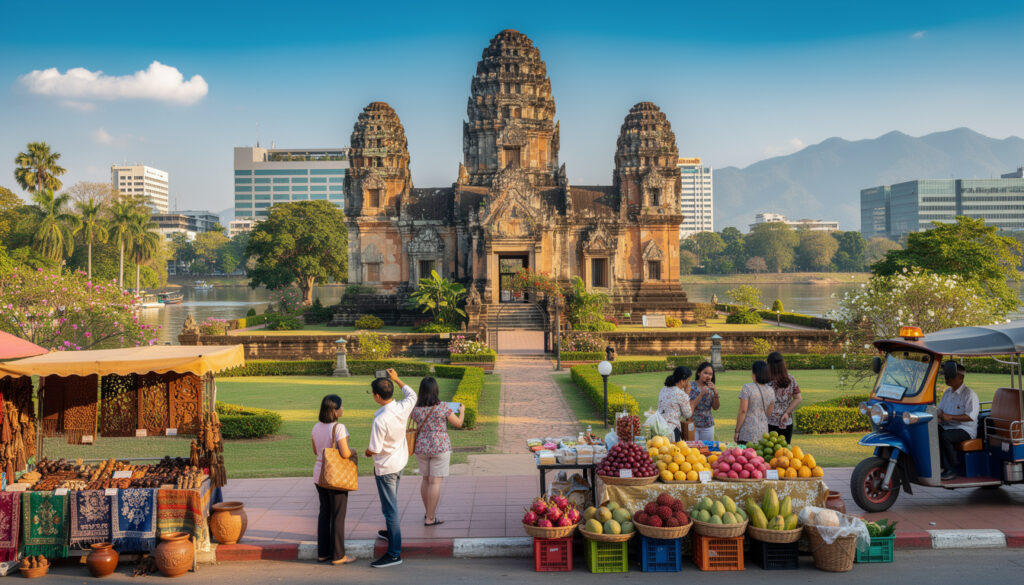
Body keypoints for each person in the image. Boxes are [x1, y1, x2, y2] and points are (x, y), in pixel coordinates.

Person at [365, 368, 417, 568]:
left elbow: (375, 448)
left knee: (390, 510)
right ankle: (391, 533)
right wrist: (398, 379)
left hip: (386, 467)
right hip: (400, 461)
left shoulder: (380, 419)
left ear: (377, 396)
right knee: (391, 505)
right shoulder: (402, 406)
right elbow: (412, 394)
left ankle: (394, 553)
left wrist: (365, 453)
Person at [410, 377, 465, 526]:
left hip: (421, 447)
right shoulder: (443, 408)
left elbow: (413, 421)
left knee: (425, 480)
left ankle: (428, 512)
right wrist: (462, 412)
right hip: (440, 446)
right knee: (435, 482)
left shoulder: (415, 409)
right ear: (436, 390)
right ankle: (430, 517)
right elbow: (458, 424)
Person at [311, 394, 355, 565]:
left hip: (319, 475)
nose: (343, 409)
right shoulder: (339, 428)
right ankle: (338, 555)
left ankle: (323, 553)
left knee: (324, 514)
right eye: (341, 407)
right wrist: (353, 451)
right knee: (338, 515)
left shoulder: (316, 427)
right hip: (336, 476)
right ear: (335, 411)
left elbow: (316, 451)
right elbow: (345, 453)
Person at [937, 361, 979, 480]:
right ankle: (938, 464)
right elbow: (940, 410)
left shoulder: (969, 394)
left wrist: (950, 417)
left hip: (965, 429)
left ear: (960, 377)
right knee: (930, 432)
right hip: (948, 426)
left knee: (945, 437)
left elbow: (971, 416)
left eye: (949, 375)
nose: (946, 378)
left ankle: (952, 468)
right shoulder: (947, 392)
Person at [658, 366, 703, 442]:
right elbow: (687, 414)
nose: (688, 383)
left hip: (659, 426)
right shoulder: (681, 394)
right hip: (672, 430)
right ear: (683, 380)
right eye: (688, 380)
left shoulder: (664, 389)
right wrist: (687, 393)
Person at [735, 361, 775, 444]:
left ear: (754, 373)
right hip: (763, 432)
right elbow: (768, 412)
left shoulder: (747, 388)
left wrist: (737, 430)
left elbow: (743, 411)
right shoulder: (771, 390)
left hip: (747, 431)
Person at [766, 352, 802, 442]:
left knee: (768, 452)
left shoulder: (767, 381)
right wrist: (787, 412)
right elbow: (798, 398)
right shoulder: (790, 379)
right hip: (786, 421)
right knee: (785, 453)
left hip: (768, 422)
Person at [689, 362, 721, 441]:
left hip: (708, 425)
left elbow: (716, 407)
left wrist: (716, 393)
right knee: (692, 451)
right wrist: (701, 394)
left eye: (710, 374)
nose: (708, 376)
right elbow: (689, 406)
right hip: (692, 424)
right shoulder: (690, 386)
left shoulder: (711, 387)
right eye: (705, 373)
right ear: (699, 373)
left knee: (707, 451)